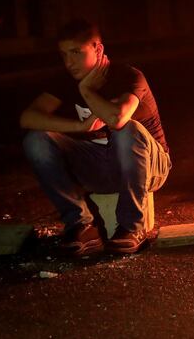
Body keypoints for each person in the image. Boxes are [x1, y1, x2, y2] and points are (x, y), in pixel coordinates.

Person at [20, 19, 171, 255]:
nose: (69, 63)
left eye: (75, 53)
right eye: (63, 55)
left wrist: (86, 90)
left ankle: (132, 227)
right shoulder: (66, 81)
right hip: (99, 166)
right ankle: (81, 225)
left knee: (126, 130)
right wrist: (79, 127)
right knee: (36, 140)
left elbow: (117, 119)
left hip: (150, 167)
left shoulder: (128, 76)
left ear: (98, 49)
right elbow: (28, 118)